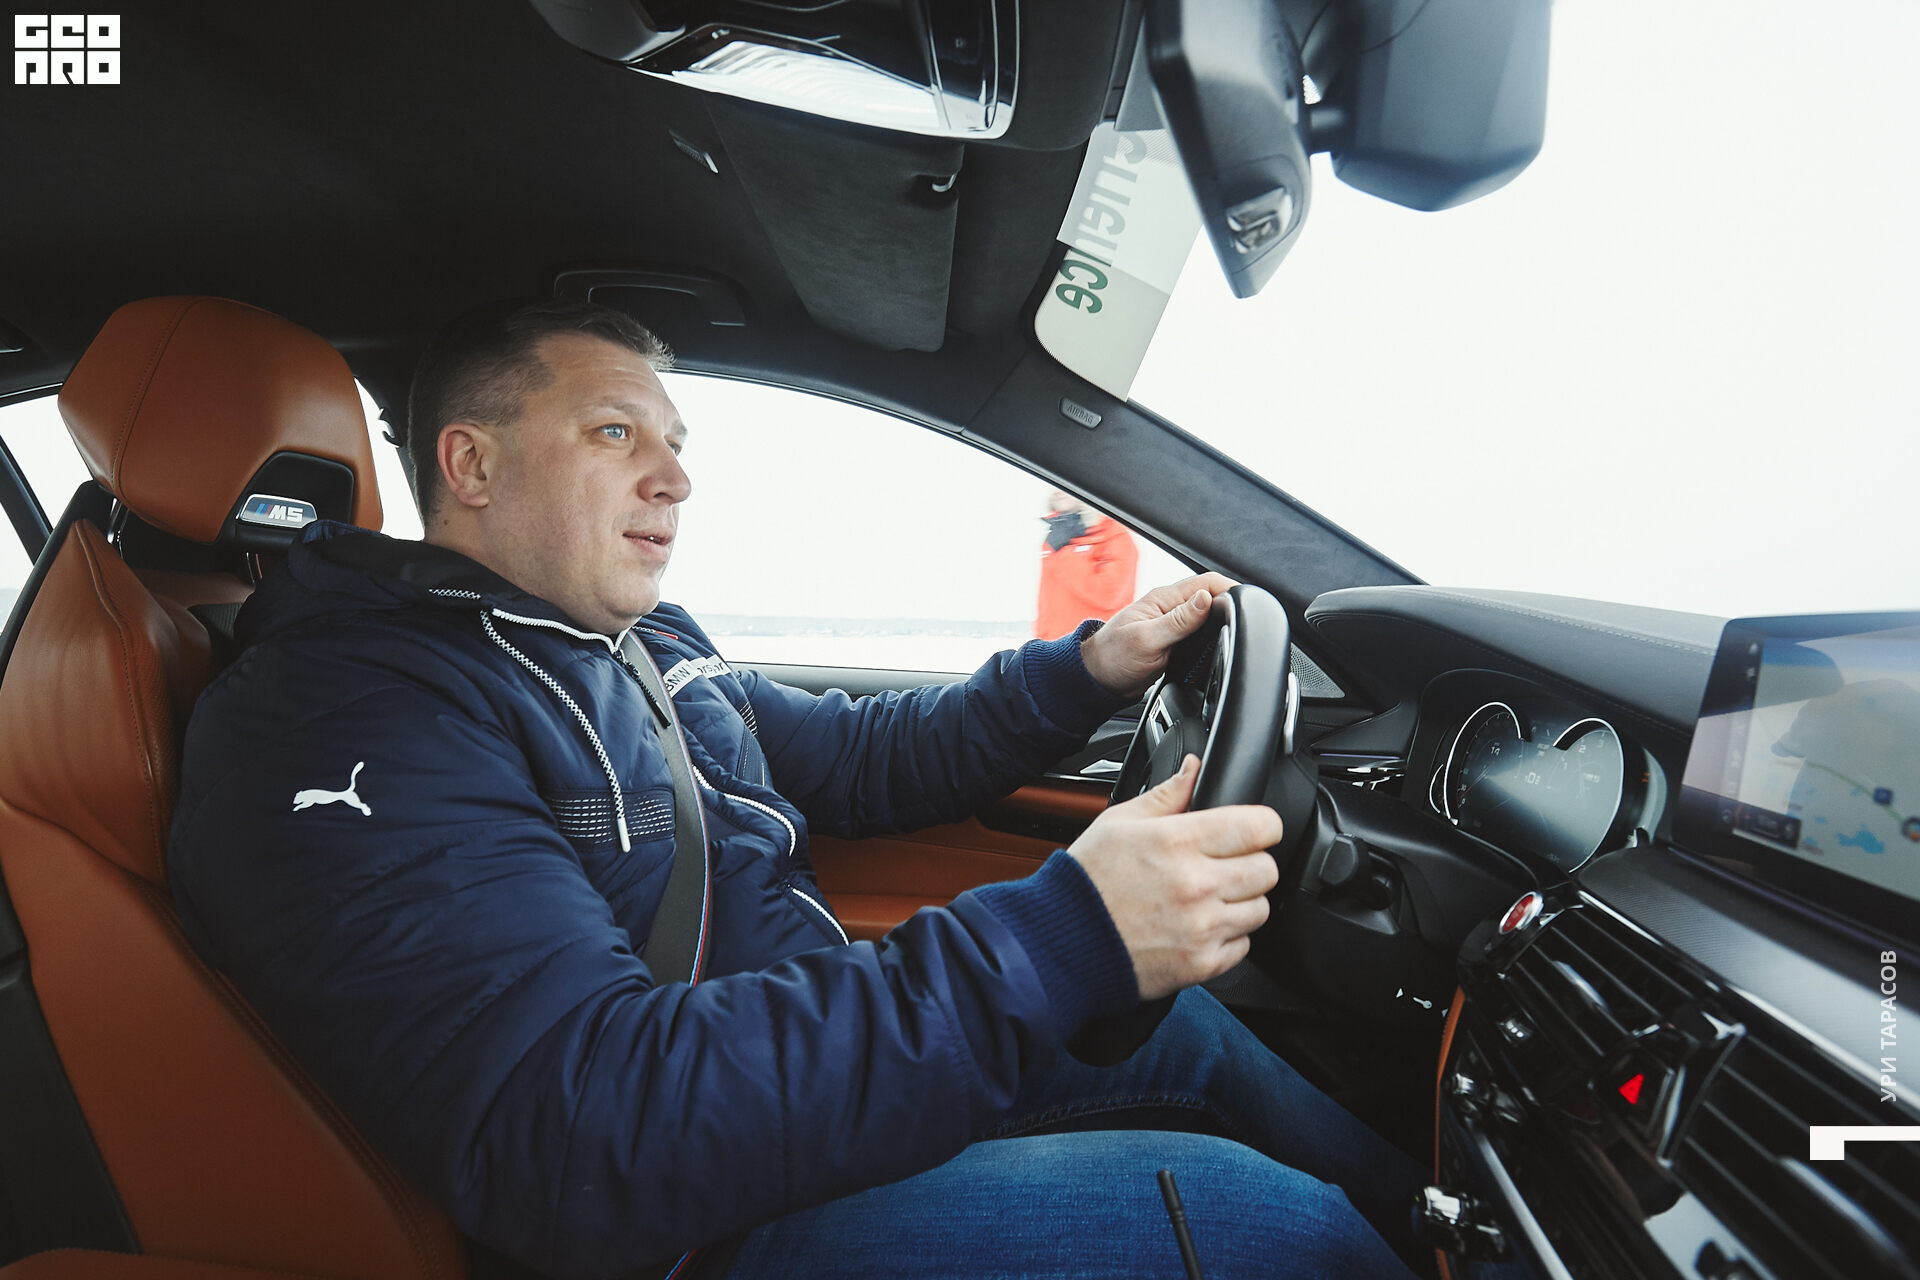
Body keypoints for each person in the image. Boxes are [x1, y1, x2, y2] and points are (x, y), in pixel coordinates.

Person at [168, 299, 1426, 1280]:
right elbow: (577, 1128)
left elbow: (860, 756)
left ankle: (1451, 1241)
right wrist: (1062, 935)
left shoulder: (637, 640)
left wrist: (1089, 669)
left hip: (788, 1095)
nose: (674, 477)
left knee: (1179, 1029)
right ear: (472, 464)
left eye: (675, 443)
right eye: (615, 433)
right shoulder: (347, 713)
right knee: (1278, 1233)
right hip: (695, 1227)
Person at [1035, 489, 1140, 641]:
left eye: (1066, 487)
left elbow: (1109, 595)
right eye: (1056, 488)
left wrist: (1065, 552)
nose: (1059, 492)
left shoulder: (1114, 535)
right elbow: (1048, 600)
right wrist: (1041, 641)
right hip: (1054, 647)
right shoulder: (1055, 535)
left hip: (1095, 647)